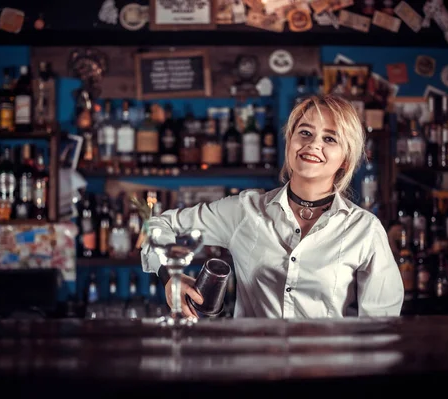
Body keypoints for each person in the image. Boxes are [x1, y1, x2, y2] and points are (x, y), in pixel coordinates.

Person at [141, 94, 404, 319]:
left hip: (326, 369)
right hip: (253, 368)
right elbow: (157, 225)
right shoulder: (245, 211)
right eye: (305, 133)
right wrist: (170, 276)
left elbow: (381, 323)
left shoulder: (364, 229)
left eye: (330, 139)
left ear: (346, 160)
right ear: (290, 141)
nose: (313, 144)